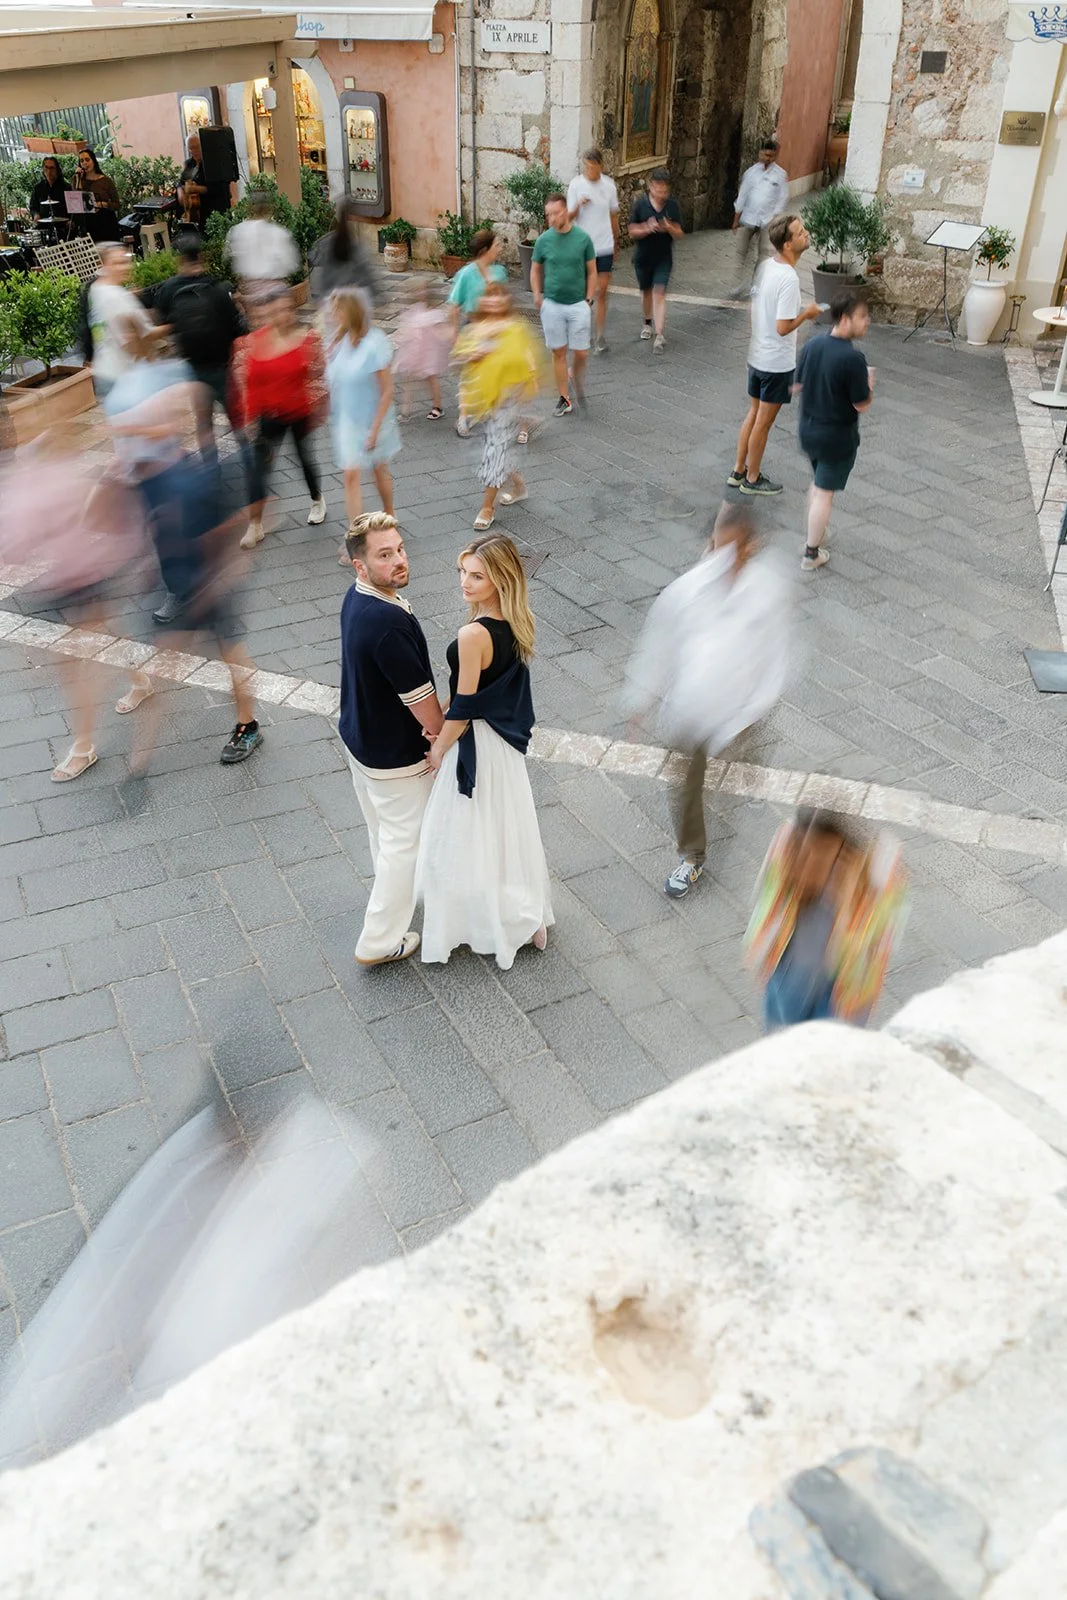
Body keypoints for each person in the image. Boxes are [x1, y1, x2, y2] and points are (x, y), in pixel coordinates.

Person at [621, 502, 790, 900]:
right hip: (690, 712)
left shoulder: (767, 590)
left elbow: (776, 653)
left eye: (734, 548)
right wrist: (640, 700)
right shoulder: (687, 591)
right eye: (718, 546)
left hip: (742, 712)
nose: (722, 557)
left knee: (738, 767)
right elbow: (659, 646)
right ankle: (692, 856)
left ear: (751, 546)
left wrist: (760, 703)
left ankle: (747, 771)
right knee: (685, 788)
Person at [415, 533, 552, 969]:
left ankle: (476, 919)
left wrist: (439, 749)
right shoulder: (517, 620)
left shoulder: (472, 634)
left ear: (499, 580)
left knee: (461, 833)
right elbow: (468, 691)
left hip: (475, 741)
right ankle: (526, 914)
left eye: (477, 576)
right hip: (502, 746)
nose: (465, 582)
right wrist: (443, 712)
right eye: (463, 572)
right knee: (507, 829)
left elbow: (465, 704)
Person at [339, 513, 444, 966]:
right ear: (359, 565)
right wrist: (440, 738)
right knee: (405, 844)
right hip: (395, 757)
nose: (399, 560)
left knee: (383, 833)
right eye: (385, 555)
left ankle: (395, 892)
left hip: (361, 741)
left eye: (400, 549)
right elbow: (422, 703)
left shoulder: (357, 597)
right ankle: (379, 940)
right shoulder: (387, 623)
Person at [744, 809, 908, 1030]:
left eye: (819, 853)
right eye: (800, 848)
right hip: (788, 976)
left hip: (843, 993)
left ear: (844, 851)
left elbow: (871, 952)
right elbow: (767, 906)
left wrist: (846, 901)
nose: (805, 864)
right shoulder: (787, 842)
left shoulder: (879, 879)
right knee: (783, 1035)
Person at [728, 211, 820, 498]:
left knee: (753, 413)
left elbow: (755, 310)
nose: (806, 234)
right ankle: (752, 478)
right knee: (763, 423)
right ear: (788, 244)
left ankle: (738, 470)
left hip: (758, 356)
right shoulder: (789, 279)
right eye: (801, 232)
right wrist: (806, 314)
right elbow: (783, 327)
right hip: (776, 363)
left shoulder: (767, 266)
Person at [230, 285, 327, 549]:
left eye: (286, 309)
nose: (282, 315)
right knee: (260, 469)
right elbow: (252, 384)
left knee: (304, 459)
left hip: (299, 412)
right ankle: (255, 525)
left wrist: (319, 404)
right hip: (268, 416)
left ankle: (317, 499)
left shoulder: (306, 339)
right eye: (275, 311)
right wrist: (250, 419)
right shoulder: (256, 342)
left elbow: (318, 374)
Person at [793, 287, 874, 571]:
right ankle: (811, 553)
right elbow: (861, 404)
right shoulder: (853, 359)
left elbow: (796, 385)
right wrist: (869, 384)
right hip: (836, 438)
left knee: (818, 485)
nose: (867, 321)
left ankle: (817, 530)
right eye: (862, 316)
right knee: (824, 493)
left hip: (808, 430)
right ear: (845, 318)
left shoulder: (813, 345)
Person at [452, 282, 540, 530]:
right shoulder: (474, 329)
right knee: (496, 450)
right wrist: (471, 356)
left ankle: (487, 508)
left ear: (507, 302)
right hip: (482, 402)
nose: (494, 301)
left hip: (508, 400)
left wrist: (527, 385)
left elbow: (528, 362)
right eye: (489, 297)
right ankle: (519, 486)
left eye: (499, 297)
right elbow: (456, 362)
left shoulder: (515, 329)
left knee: (495, 451)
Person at [150, 233, 245, 459]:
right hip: (222, 366)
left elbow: (160, 323)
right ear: (202, 256)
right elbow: (238, 328)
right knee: (237, 419)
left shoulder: (168, 290)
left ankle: (211, 469)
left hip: (194, 369)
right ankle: (252, 463)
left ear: (180, 259)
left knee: (204, 423)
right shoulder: (218, 287)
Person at [326, 287, 401, 551]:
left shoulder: (374, 343)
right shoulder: (339, 340)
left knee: (379, 469)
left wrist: (375, 430)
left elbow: (387, 390)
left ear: (350, 311)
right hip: (348, 421)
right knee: (350, 475)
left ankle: (389, 512)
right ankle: (355, 535)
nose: (332, 314)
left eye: (337, 309)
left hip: (373, 420)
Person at [531, 194, 596, 417]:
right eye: (548, 214)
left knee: (582, 353)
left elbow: (592, 271)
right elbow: (535, 269)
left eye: (556, 213)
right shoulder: (543, 241)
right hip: (552, 304)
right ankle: (564, 397)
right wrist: (537, 294)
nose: (552, 218)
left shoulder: (583, 239)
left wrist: (589, 299)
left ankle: (573, 373)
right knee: (558, 352)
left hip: (578, 303)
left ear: (566, 211)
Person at [447, 229, 508, 436]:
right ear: (485, 250)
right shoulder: (466, 274)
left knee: (496, 372)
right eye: (496, 245)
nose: (500, 249)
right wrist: (455, 335)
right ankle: (463, 417)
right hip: (472, 328)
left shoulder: (500, 272)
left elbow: (504, 301)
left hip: (495, 329)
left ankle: (494, 413)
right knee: (469, 374)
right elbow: (454, 305)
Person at [86, 242, 155, 400]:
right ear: (105, 265)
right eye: (118, 263)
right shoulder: (118, 296)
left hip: (103, 371)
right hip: (122, 376)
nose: (126, 267)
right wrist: (174, 324)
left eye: (126, 261)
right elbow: (146, 333)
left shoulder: (95, 288)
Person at [566, 149, 620, 355]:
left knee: (602, 290)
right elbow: (568, 217)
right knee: (584, 293)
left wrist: (616, 242)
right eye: (587, 166)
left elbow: (613, 215)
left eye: (593, 167)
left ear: (600, 166)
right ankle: (582, 331)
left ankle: (600, 336)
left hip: (604, 245)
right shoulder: (576, 185)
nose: (590, 170)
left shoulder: (609, 186)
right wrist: (579, 206)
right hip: (583, 246)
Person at [628, 167, 683, 352]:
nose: (661, 193)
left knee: (659, 292)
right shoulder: (640, 205)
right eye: (658, 188)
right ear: (651, 187)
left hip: (663, 257)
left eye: (664, 189)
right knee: (646, 292)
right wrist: (646, 227)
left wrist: (669, 226)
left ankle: (659, 335)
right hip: (643, 257)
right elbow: (632, 231)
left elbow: (680, 233)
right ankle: (647, 323)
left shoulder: (672, 206)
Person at [730, 139, 789, 298]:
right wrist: (736, 219)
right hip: (748, 218)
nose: (767, 158)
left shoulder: (780, 175)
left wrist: (775, 217)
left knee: (764, 254)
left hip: (767, 221)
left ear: (775, 156)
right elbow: (742, 195)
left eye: (771, 156)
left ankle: (756, 285)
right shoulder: (750, 173)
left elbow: (782, 198)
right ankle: (738, 284)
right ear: (760, 153)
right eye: (765, 155)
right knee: (742, 252)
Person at [393, 279, 453, 421]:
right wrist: (401, 337)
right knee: (408, 378)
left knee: (431, 378)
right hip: (413, 352)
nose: (421, 293)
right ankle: (405, 410)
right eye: (417, 290)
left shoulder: (434, 313)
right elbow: (407, 329)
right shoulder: (412, 311)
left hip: (428, 353)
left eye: (423, 289)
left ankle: (437, 406)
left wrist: (449, 336)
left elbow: (442, 329)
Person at [224, 186, 299, 298]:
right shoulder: (279, 233)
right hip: (276, 292)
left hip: (250, 293)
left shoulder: (237, 231)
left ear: (248, 207)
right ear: (270, 208)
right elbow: (290, 264)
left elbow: (230, 259)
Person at [308, 195, 378, 308]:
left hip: (333, 304)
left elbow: (323, 280)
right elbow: (368, 282)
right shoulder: (356, 248)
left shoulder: (327, 243)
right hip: (351, 306)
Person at [177, 133, 232, 233]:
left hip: (214, 210)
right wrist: (180, 193)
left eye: (196, 147)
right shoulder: (189, 164)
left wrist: (196, 189)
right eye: (191, 148)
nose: (194, 151)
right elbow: (180, 183)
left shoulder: (213, 163)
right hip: (197, 213)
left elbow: (218, 188)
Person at [71, 148, 121, 242]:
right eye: (82, 161)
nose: (85, 163)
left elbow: (117, 204)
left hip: (106, 221)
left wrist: (104, 204)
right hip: (88, 223)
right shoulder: (77, 179)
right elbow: (77, 201)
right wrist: (79, 179)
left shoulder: (106, 181)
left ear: (93, 161)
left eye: (87, 160)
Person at [30, 156, 70, 229]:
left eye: (52, 168)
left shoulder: (67, 188)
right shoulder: (38, 188)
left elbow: (73, 210)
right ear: (43, 169)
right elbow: (33, 207)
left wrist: (71, 222)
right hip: (43, 228)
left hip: (63, 228)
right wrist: (35, 215)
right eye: (46, 168)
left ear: (57, 169)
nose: (49, 171)